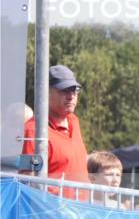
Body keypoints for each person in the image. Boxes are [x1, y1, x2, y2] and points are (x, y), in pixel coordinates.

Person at [22, 65, 89, 197]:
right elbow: (26, 180)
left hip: (81, 208)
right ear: (45, 93)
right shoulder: (32, 131)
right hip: (52, 208)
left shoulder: (73, 120)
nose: (71, 96)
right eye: (64, 90)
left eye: (74, 90)